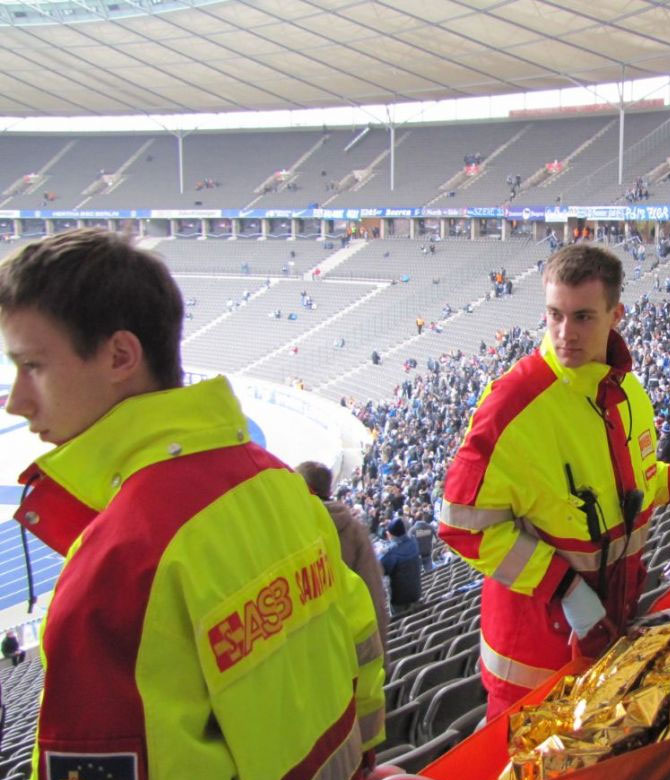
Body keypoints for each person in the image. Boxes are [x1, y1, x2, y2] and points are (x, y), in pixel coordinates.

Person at [0, 229, 385, 778]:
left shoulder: (117, 571)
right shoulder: (280, 486)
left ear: (120, 356)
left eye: (32, 366)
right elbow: (359, 648)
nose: (16, 400)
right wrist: (363, 765)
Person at [438, 244, 670, 717]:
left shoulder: (628, 394)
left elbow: (630, 489)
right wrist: (563, 587)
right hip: (533, 659)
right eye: (554, 315)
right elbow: (460, 524)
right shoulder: (512, 404)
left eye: (582, 317)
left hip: (604, 637)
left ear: (615, 314)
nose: (566, 334)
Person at [296, 460, 392, 672]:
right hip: (363, 651)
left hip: (325, 661)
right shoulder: (356, 529)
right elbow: (375, 592)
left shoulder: (298, 534)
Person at [380, 519, 423, 616]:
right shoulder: (413, 543)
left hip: (399, 600)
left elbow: (379, 571)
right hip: (416, 593)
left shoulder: (391, 553)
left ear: (390, 535)